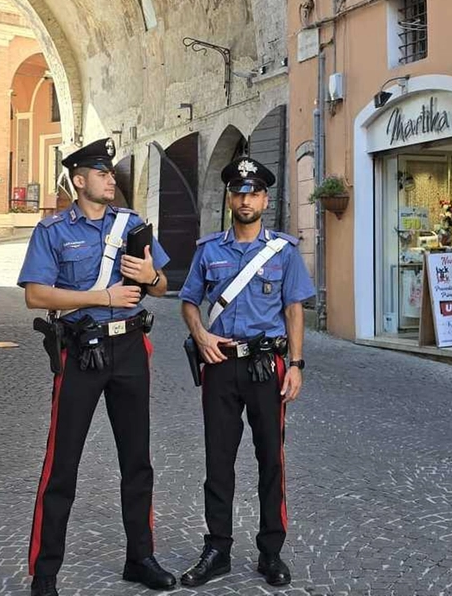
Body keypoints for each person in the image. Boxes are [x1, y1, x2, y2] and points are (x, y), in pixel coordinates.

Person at [17, 138, 178, 596]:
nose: (111, 179)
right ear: (79, 180)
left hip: (129, 349)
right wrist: (101, 297)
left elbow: (163, 285)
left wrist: (151, 279)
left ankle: (140, 558)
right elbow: (36, 294)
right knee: (62, 465)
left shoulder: (132, 226)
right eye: (102, 173)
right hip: (81, 352)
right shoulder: (51, 231)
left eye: (111, 173)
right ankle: (45, 573)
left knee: (137, 461)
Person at [177, 156, 315, 588]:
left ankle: (270, 551)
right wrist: (200, 334)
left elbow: (294, 310)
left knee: (270, 460)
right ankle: (217, 548)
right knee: (218, 461)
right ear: (230, 199)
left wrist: (295, 364)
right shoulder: (208, 251)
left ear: (264, 199)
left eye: (253, 192)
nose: (245, 199)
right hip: (219, 366)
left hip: (265, 367)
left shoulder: (284, 252)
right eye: (239, 192)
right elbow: (188, 300)